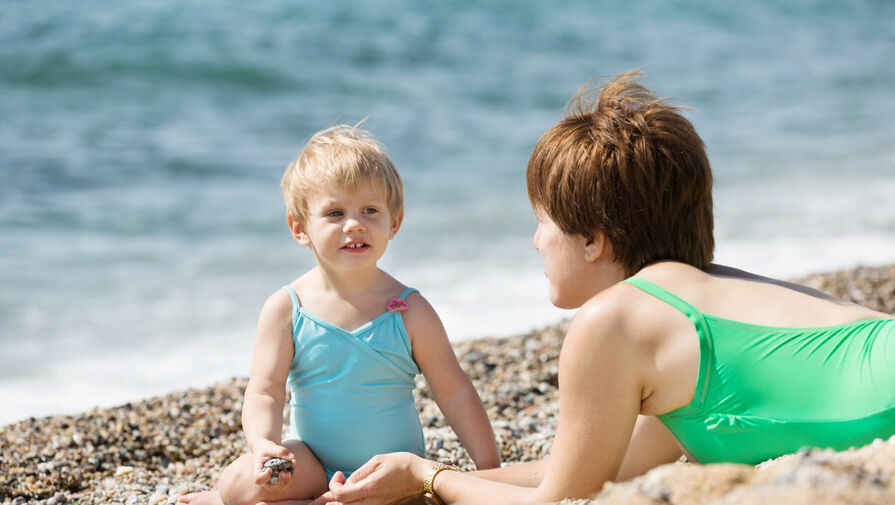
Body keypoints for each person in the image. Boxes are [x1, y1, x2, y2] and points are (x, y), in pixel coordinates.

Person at [309, 71, 895, 505]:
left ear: (592, 240)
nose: (535, 242)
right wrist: (403, 475)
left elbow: (559, 500)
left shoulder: (614, 322)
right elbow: (586, 467)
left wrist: (427, 478)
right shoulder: (694, 299)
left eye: (542, 221)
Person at [177, 124, 500, 505]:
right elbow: (265, 390)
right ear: (300, 228)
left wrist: (489, 470)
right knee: (236, 482)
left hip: (392, 474)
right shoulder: (286, 308)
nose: (354, 224)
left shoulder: (410, 310)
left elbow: (455, 392)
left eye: (370, 210)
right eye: (334, 212)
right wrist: (264, 444)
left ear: (394, 222)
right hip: (313, 465)